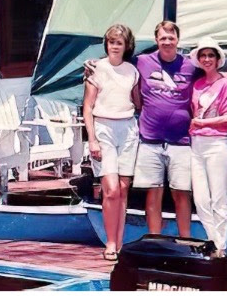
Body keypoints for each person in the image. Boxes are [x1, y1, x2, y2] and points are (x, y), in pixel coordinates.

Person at [132, 20, 200, 237]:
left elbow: (214, 76)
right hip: (150, 141)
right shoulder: (142, 61)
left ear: (178, 40)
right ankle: (155, 240)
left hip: (180, 142)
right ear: (156, 40)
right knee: (153, 194)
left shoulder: (191, 65)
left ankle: (185, 240)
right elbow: (116, 66)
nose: (167, 42)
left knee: (182, 193)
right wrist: (93, 66)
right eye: (163, 38)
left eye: (171, 38)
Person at [82, 23, 142, 261]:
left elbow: (137, 103)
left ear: (126, 46)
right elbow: (87, 107)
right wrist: (92, 139)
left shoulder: (132, 71)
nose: (114, 46)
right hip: (104, 129)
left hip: (128, 129)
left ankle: (119, 242)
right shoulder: (96, 69)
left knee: (124, 189)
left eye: (119, 42)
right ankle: (109, 242)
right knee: (111, 189)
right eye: (111, 42)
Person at [188, 36, 227, 254]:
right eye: (203, 55)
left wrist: (201, 122)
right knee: (200, 200)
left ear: (217, 59)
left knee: (219, 198)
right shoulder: (196, 85)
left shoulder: (225, 84)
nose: (207, 59)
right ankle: (213, 241)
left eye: (210, 55)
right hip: (197, 145)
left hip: (217, 144)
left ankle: (221, 247)